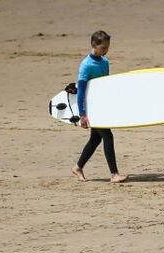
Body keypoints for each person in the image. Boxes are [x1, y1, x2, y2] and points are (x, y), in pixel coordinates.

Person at [71, 31, 128, 183]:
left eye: (107, 48)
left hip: (101, 107)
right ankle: (114, 174)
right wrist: (82, 114)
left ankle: (78, 167)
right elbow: (81, 91)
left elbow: (105, 87)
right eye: (103, 48)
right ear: (94, 45)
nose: (105, 51)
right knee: (107, 136)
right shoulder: (86, 65)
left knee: (95, 139)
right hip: (91, 108)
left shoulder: (105, 62)